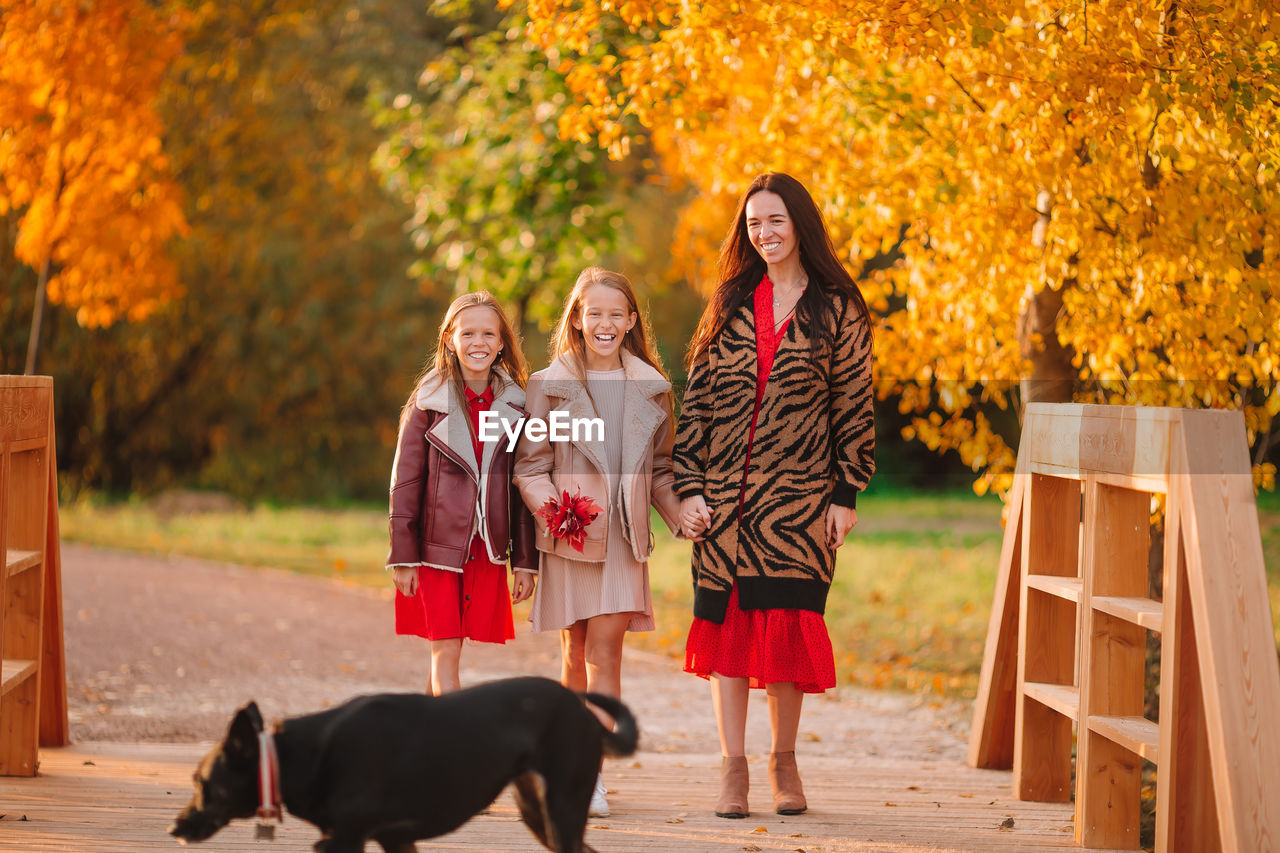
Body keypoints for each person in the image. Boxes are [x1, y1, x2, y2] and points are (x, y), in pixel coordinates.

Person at [673, 173, 875, 819]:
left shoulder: (839, 306)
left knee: (786, 632)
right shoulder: (729, 301)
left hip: (798, 503)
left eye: (776, 220)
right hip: (722, 503)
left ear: (800, 224)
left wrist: (845, 491)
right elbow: (698, 403)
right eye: (754, 222)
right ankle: (733, 769)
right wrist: (688, 487)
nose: (764, 232)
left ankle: (782, 760)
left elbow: (855, 406)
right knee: (728, 632)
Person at [514, 266, 683, 817]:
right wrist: (552, 509)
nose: (605, 324)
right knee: (573, 654)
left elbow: (661, 469)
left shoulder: (653, 389)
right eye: (595, 314)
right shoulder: (546, 386)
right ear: (578, 320)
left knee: (605, 654)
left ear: (631, 321)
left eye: (617, 314)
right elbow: (530, 466)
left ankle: (592, 776)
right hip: (570, 539)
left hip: (623, 541)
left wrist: (679, 513)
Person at [386, 291, 538, 696]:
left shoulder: (517, 406)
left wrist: (524, 562)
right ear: (450, 338)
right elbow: (405, 483)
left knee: (450, 650)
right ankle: (454, 753)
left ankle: (423, 738)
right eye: (468, 333)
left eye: (489, 333)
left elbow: (521, 489)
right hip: (435, 550)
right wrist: (403, 555)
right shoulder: (428, 403)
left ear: (502, 342)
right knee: (445, 650)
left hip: (484, 547)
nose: (478, 343)